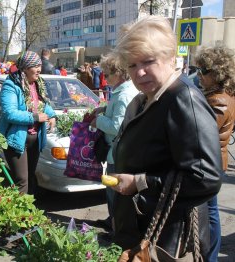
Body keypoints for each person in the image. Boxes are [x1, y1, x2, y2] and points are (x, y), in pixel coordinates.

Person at [110, 16, 222, 258]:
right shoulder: (148, 98)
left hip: (165, 239)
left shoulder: (183, 99)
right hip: (145, 229)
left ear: (172, 58)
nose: (139, 72)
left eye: (148, 61)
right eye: (131, 65)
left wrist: (139, 182)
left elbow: (206, 178)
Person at [194, 45, 235, 262]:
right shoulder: (219, 95)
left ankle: (210, 258)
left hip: (210, 164)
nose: (199, 75)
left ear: (218, 73)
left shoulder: (218, 99)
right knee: (209, 212)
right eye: (198, 70)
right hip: (212, 163)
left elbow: (201, 132)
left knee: (209, 215)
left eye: (204, 71)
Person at [89, 53, 138, 232]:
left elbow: (118, 126)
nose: (104, 77)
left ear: (118, 73)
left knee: (114, 193)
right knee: (114, 192)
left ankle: (116, 231)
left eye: (107, 74)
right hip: (119, 150)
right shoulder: (122, 91)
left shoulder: (124, 94)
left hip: (117, 152)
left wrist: (98, 120)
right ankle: (113, 222)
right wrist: (105, 108)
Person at [0, 51, 56, 194]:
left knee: (30, 178)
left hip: (34, 140)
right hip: (16, 139)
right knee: (21, 181)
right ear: (25, 68)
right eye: (35, 66)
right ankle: (17, 215)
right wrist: (35, 117)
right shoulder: (11, 85)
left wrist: (51, 115)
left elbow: (43, 104)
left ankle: (29, 214)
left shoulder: (37, 84)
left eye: (40, 66)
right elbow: (9, 113)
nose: (39, 70)